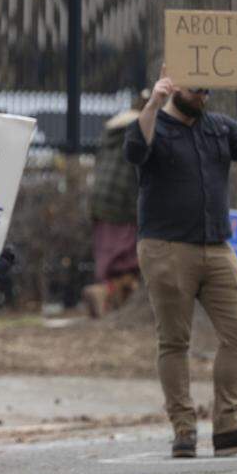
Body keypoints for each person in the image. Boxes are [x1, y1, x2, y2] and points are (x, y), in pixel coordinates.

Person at [125, 66, 237, 458]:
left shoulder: (217, 126)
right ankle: (184, 429)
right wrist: (153, 104)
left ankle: (228, 426)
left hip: (216, 246)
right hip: (166, 248)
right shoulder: (154, 125)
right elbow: (135, 149)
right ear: (174, 84)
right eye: (196, 90)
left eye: (206, 92)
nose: (202, 97)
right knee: (174, 340)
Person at [82, 92, 147, 318]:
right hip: (122, 204)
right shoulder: (142, 129)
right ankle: (104, 293)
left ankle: (108, 298)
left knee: (108, 257)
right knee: (127, 261)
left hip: (100, 200)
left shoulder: (114, 127)